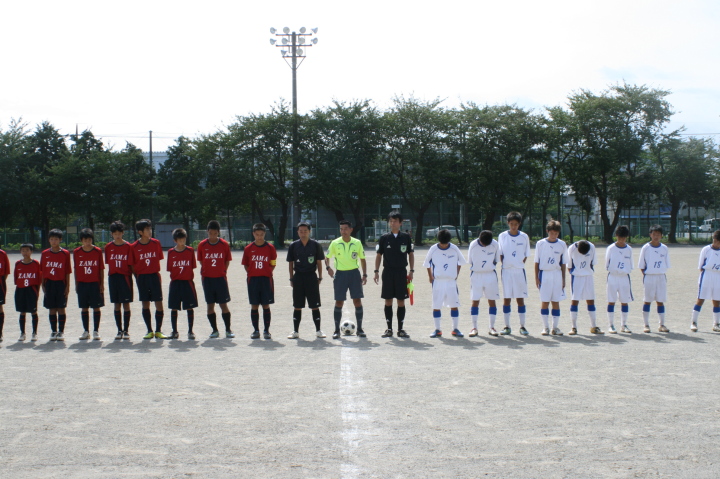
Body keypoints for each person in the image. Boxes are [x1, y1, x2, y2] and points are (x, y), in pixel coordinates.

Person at [373, 211, 414, 338]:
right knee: (388, 300)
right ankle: (389, 329)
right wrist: (376, 271)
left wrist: (411, 270)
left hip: (401, 272)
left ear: (400, 223)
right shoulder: (384, 238)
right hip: (388, 272)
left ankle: (400, 329)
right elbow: (379, 255)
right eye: (390, 221)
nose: (392, 223)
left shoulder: (406, 237)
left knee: (401, 300)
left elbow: (410, 254)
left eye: (395, 221)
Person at [325, 220, 367, 339]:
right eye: (341, 229)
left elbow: (362, 259)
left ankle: (359, 329)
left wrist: (365, 274)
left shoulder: (357, 243)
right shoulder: (335, 243)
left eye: (345, 229)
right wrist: (328, 268)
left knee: (357, 301)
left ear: (351, 229)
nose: (343, 231)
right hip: (340, 275)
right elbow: (327, 257)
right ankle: (336, 330)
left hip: (354, 274)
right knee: (339, 301)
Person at [424, 229, 467, 337]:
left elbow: (461, 262)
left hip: (451, 282)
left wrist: (456, 274)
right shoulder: (433, 249)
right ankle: (437, 329)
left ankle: (455, 329)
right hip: (438, 281)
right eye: (442, 243)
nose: (444, 245)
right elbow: (427, 263)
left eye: (446, 243)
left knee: (454, 305)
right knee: (436, 305)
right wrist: (430, 276)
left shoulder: (454, 248)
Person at [286, 222, 326, 339]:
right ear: (297, 232)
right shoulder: (293, 246)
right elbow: (290, 263)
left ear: (309, 232)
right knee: (297, 305)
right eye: (301, 231)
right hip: (298, 277)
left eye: (305, 231)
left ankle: (318, 330)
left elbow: (319, 262)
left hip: (311, 277)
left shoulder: (315, 245)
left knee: (315, 305)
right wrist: (291, 278)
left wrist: (320, 277)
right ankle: (295, 331)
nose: (303, 233)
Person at [197, 220, 234, 339]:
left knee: (223, 304)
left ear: (218, 232)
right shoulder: (202, 245)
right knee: (210, 305)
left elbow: (227, 260)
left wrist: (223, 271)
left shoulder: (224, 244)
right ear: (207, 232)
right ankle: (214, 330)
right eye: (210, 233)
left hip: (220, 279)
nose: (212, 236)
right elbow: (201, 261)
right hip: (207, 279)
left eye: (215, 233)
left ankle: (228, 330)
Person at [132, 219, 166, 339]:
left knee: (159, 303)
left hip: (154, 276)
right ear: (140, 232)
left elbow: (159, 259)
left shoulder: (156, 243)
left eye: (150, 228)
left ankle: (158, 330)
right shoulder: (134, 246)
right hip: (142, 278)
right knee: (145, 304)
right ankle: (149, 330)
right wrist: (137, 277)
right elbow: (132, 265)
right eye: (147, 229)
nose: (150, 231)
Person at [242, 223, 277, 339]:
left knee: (266, 305)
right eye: (257, 234)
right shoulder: (248, 248)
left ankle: (266, 330)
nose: (259, 237)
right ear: (253, 234)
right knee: (254, 305)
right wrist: (252, 272)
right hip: (253, 280)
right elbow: (246, 264)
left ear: (265, 234)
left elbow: (273, 263)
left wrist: (267, 271)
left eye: (261, 234)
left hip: (266, 279)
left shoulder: (270, 248)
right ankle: (256, 330)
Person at [497, 212, 530, 335]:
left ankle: (522, 326)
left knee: (520, 299)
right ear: (508, 223)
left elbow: (526, 254)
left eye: (516, 224)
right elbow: (500, 253)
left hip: (519, 271)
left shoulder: (524, 236)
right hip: (506, 270)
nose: (514, 226)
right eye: (511, 224)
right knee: (507, 298)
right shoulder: (502, 236)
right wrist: (507, 264)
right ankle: (507, 326)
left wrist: (518, 264)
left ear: (519, 224)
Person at [534, 220, 569, 336]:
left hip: (557, 274)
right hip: (545, 274)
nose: (554, 235)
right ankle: (545, 327)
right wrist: (536, 277)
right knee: (545, 301)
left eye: (556, 233)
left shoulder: (562, 244)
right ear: (547, 231)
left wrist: (563, 279)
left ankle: (555, 327)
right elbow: (536, 262)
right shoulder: (540, 244)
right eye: (552, 233)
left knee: (555, 301)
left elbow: (563, 263)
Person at [467, 230, 500, 337]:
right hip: (476, 275)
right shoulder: (473, 245)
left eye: (487, 244)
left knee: (492, 300)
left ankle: (492, 327)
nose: (485, 245)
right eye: (483, 243)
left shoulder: (495, 244)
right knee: (475, 300)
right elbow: (470, 261)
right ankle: (474, 328)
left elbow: (496, 259)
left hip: (490, 275)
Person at [105, 221, 135, 340]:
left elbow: (131, 264)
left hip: (125, 277)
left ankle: (126, 330)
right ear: (112, 234)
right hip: (113, 278)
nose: (117, 236)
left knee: (126, 304)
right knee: (116, 304)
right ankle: (119, 330)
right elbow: (109, 263)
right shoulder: (108, 247)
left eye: (119, 233)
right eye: (115, 234)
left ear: (123, 233)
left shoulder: (128, 246)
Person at [73, 228, 105, 340]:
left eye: (89, 240)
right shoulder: (77, 252)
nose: (87, 242)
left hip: (94, 283)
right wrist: (76, 284)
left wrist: (101, 284)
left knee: (96, 307)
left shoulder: (97, 251)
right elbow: (76, 269)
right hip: (82, 284)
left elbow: (101, 268)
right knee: (84, 308)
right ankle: (86, 331)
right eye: (85, 240)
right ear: (81, 240)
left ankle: (96, 331)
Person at [638, 225, 670, 333]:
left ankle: (662, 324)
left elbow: (666, 263)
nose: (656, 236)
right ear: (650, 235)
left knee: (660, 300)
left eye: (658, 234)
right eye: (654, 234)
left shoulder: (664, 248)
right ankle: (646, 324)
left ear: (661, 235)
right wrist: (647, 275)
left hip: (661, 277)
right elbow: (641, 265)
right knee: (647, 300)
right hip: (649, 277)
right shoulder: (646, 248)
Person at [40, 229, 71, 341]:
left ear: (60, 240)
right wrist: (43, 284)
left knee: (61, 308)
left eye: (56, 239)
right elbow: (42, 270)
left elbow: (67, 271)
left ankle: (61, 332)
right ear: (49, 240)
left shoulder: (65, 253)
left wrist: (67, 286)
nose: (54, 241)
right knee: (52, 308)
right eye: (52, 239)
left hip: (61, 283)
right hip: (49, 283)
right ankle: (53, 331)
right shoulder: (45, 253)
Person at [167, 228, 198, 339]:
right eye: (180, 240)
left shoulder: (190, 251)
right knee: (174, 307)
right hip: (175, 283)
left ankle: (190, 331)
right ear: (175, 240)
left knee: (189, 307)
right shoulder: (171, 252)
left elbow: (192, 266)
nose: (182, 241)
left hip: (187, 283)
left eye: (184, 239)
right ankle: (174, 331)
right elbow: (170, 268)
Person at [567, 239, 603, 334]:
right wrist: (575, 273)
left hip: (588, 276)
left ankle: (593, 326)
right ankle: (573, 327)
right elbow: (569, 265)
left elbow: (593, 263)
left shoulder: (592, 247)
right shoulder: (571, 248)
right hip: (576, 277)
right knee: (575, 300)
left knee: (590, 300)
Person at [690, 229, 720, 332]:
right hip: (707, 275)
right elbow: (700, 266)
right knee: (700, 299)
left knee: (717, 301)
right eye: (716, 240)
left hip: (718, 275)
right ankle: (693, 322)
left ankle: (716, 323)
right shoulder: (706, 249)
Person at [606, 225, 634, 334]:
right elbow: (607, 263)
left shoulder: (629, 249)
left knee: (624, 301)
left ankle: (624, 325)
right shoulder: (611, 248)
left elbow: (631, 264)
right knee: (611, 301)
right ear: (616, 236)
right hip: (613, 276)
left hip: (624, 277)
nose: (622, 240)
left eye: (624, 238)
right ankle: (611, 325)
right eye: (620, 237)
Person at [14, 244, 41, 341]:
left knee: (33, 311)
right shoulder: (18, 263)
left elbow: (39, 279)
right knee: (22, 311)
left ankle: (34, 333)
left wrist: (37, 292)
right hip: (20, 290)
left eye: (27, 250)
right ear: (20, 252)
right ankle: (22, 333)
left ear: (31, 251)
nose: (25, 252)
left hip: (31, 290)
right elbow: (16, 278)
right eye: (23, 250)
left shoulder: (36, 263)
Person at [0, 244, 9, 341]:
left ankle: (0, 333)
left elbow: (6, 272)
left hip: (0, 284)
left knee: (0, 307)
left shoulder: (2, 254)